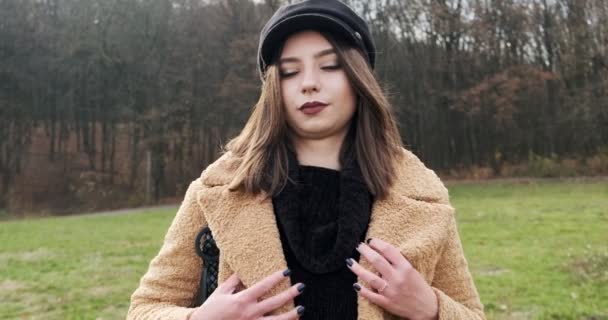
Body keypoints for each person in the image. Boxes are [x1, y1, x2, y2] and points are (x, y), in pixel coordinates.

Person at [126, 0, 485, 319]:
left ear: (358, 78)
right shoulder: (220, 189)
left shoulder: (421, 192)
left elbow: (472, 313)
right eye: (289, 71)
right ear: (273, 88)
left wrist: (433, 310)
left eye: (329, 66)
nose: (309, 83)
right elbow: (145, 308)